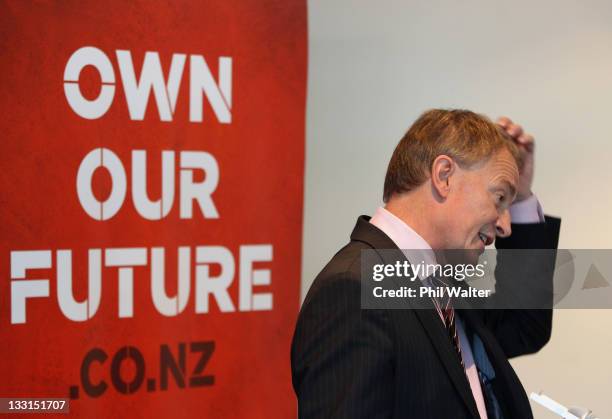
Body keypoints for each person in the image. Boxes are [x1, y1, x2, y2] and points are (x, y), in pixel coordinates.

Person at [291, 109, 561, 418]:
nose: (505, 225)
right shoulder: (353, 289)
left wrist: (523, 199)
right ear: (444, 176)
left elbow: (523, 326)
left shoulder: (443, 280)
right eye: (499, 198)